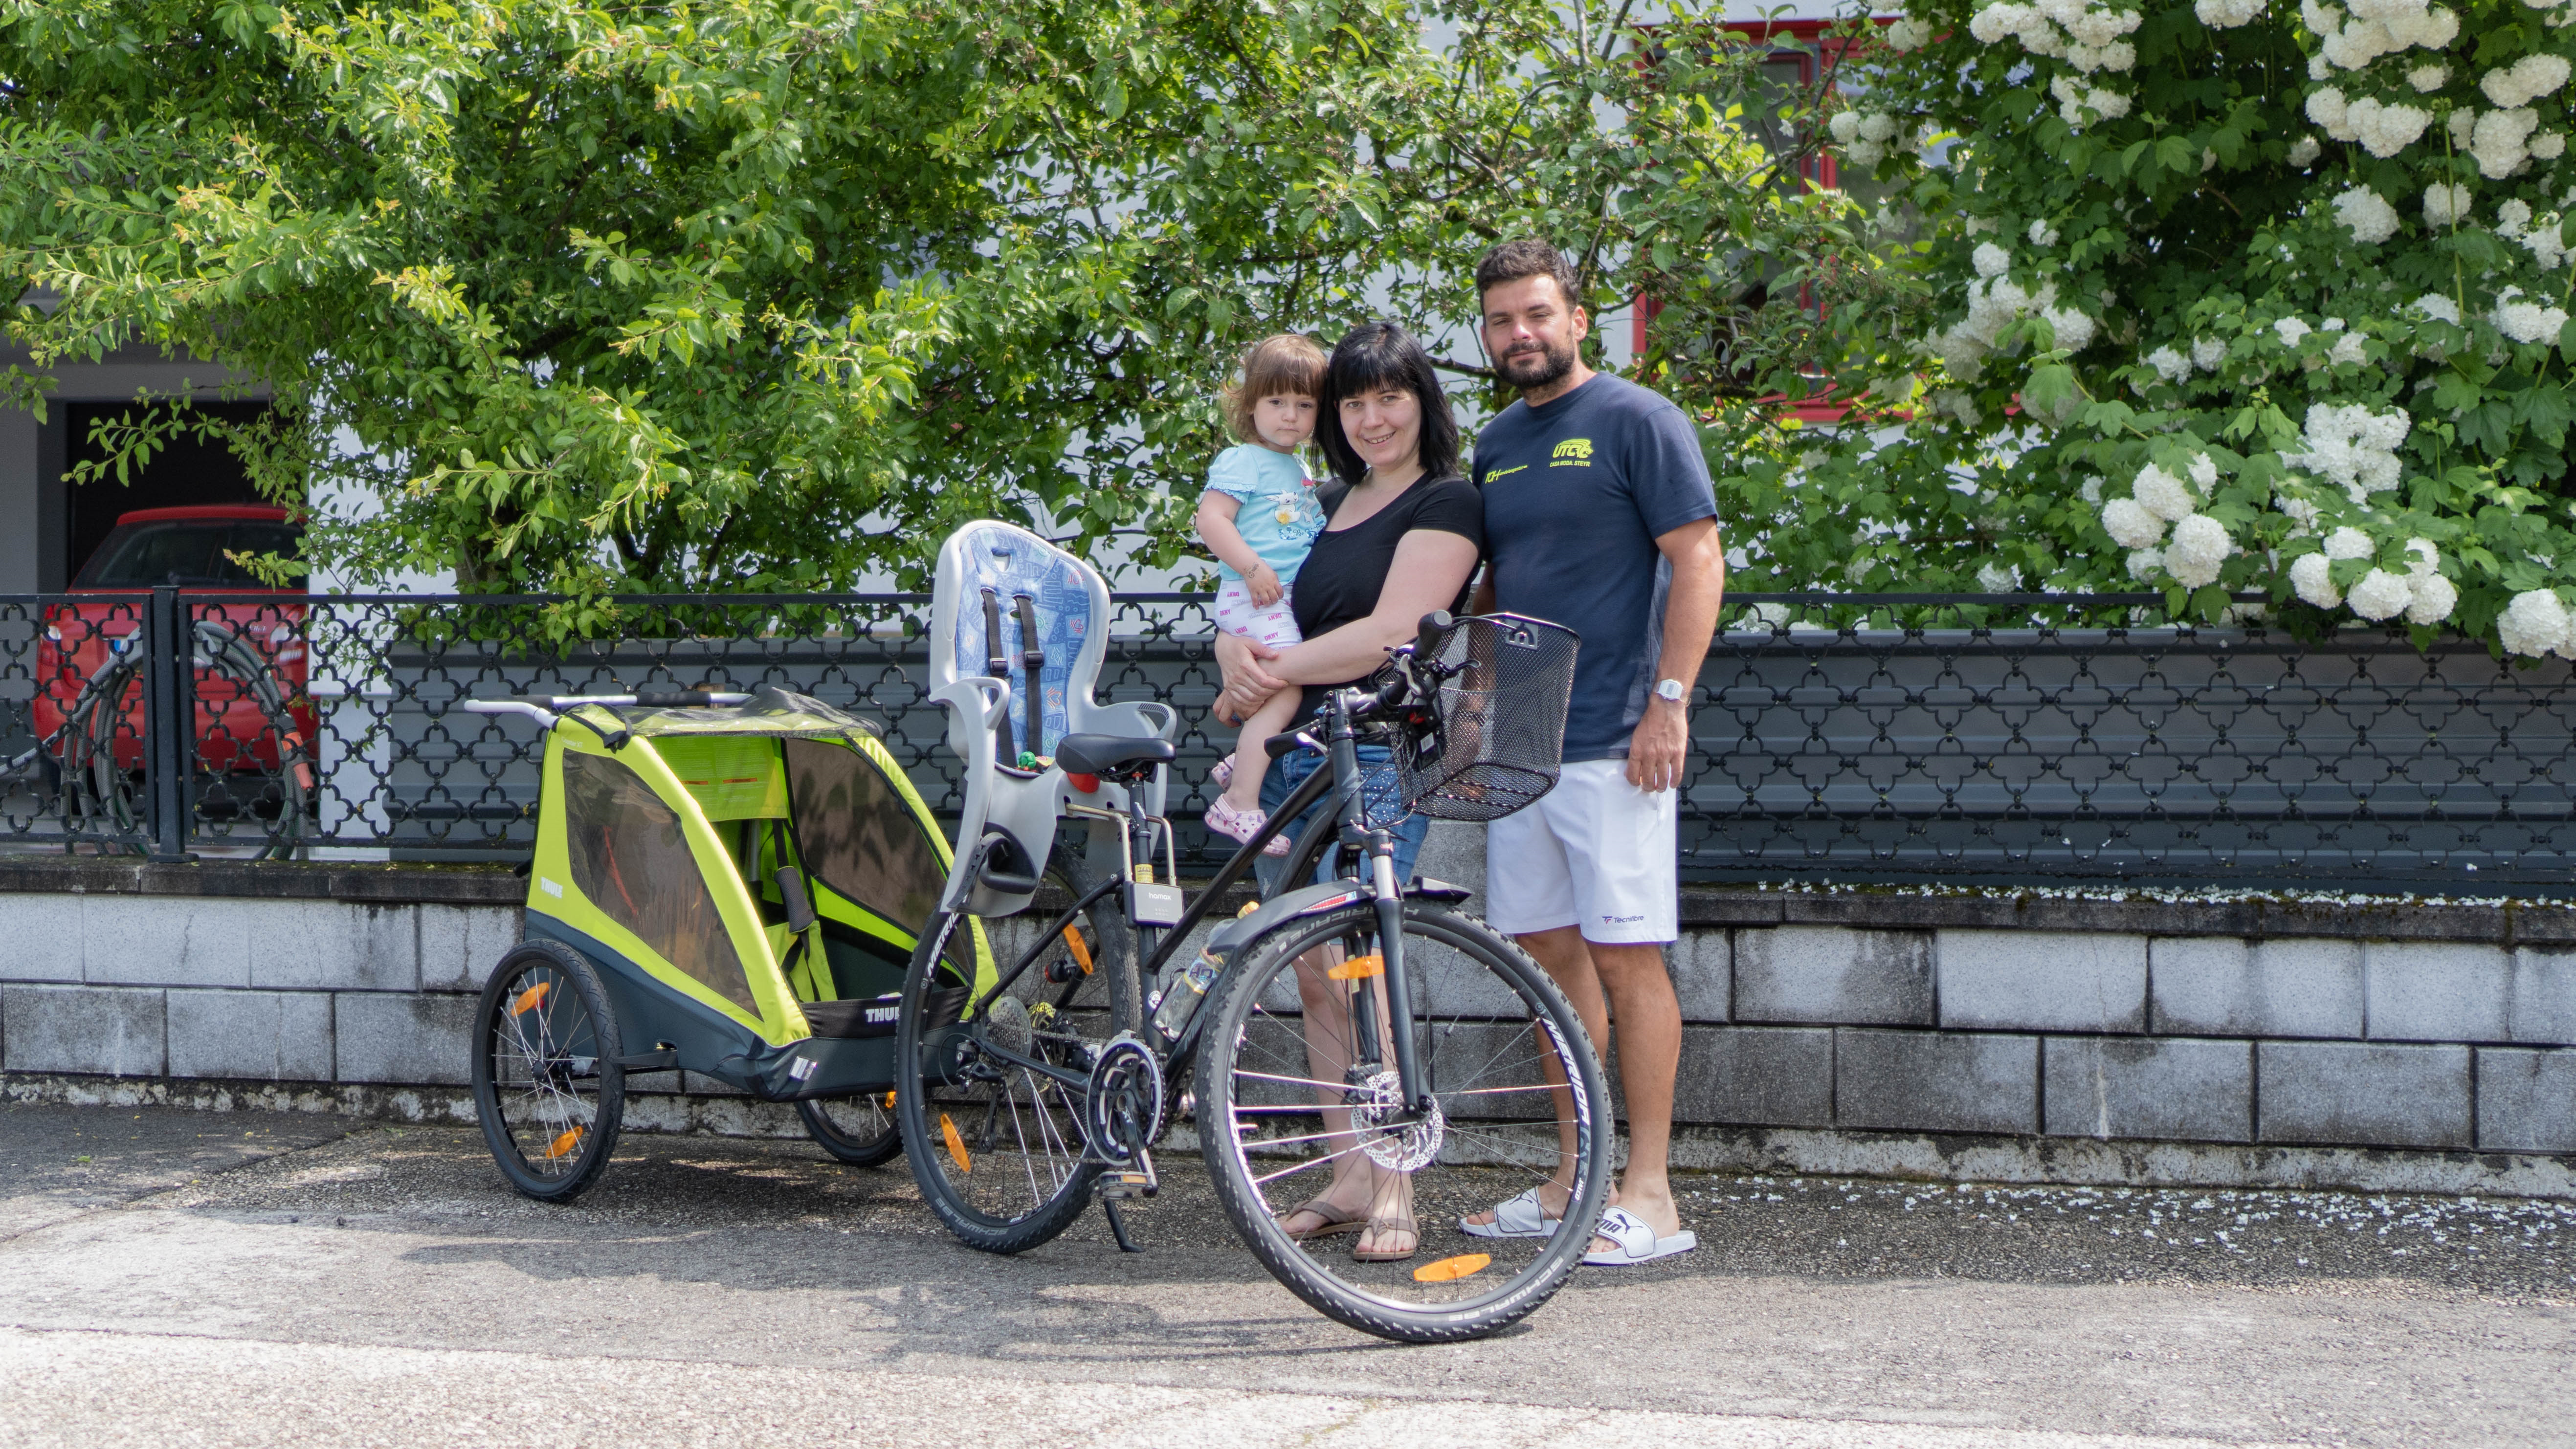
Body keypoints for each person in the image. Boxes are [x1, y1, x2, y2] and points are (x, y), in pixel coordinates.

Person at [1457, 239, 1726, 1268]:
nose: (1519, 335)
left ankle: (1650, 1196)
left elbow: (1698, 558)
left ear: (1579, 316)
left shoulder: (1638, 421)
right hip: (1523, 738)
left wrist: (1672, 704)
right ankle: (1576, 1180)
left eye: (1536, 314)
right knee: (1548, 962)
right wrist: (1478, 706)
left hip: (1618, 738)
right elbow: (1498, 585)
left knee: (1627, 957)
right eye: (1500, 321)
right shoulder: (1494, 444)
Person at [1211, 321, 1485, 1264]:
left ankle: (1396, 1177)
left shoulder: (1448, 500)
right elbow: (1255, 596)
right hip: (1291, 752)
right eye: (1353, 402)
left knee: (1364, 957)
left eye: (1390, 397)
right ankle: (1346, 1171)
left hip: (1373, 753)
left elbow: (1393, 628)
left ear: (1423, 401)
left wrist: (1274, 661)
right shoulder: (1316, 500)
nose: (1371, 418)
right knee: (1308, 971)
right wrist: (1237, 659)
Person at [1194, 333, 1331, 855]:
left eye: (1304, 405)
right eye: (1277, 402)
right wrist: (1251, 568)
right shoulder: (1242, 460)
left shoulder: (1296, 466)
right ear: (1251, 405)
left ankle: (1244, 759)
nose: (1290, 416)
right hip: (1255, 596)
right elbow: (1211, 519)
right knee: (1290, 685)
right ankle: (1239, 801)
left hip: (1276, 597)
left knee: (1275, 687)